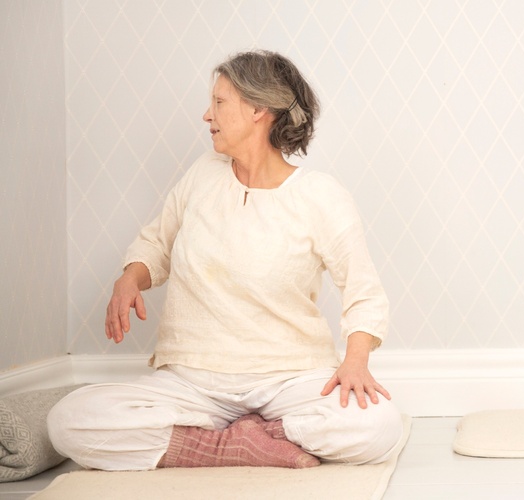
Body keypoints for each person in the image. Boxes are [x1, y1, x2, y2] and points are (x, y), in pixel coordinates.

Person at [47, 50, 403, 470]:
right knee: (67, 420)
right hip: (194, 379)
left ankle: (253, 435)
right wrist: (130, 279)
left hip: (288, 376)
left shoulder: (320, 197)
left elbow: (363, 291)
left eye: (219, 103)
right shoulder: (203, 173)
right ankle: (230, 446)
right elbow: (156, 245)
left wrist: (355, 363)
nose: (206, 115)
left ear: (259, 110)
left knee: (378, 426)